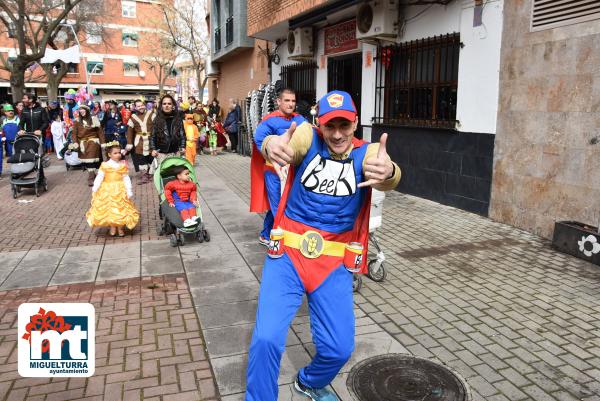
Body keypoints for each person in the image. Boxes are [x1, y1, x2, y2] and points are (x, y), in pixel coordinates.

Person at [244, 91, 401, 401]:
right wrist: (271, 145)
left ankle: (310, 382)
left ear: (355, 122)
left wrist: (390, 172)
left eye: (345, 125)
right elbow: (291, 144)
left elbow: (388, 173)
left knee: (340, 347)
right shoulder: (307, 134)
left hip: (332, 262)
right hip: (288, 255)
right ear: (320, 124)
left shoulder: (367, 152)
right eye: (331, 126)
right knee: (266, 339)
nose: (338, 134)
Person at [250, 88, 306, 246]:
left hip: (293, 170)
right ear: (278, 102)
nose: (291, 104)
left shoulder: (300, 119)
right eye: (287, 100)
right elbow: (260, 141)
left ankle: (265, 234)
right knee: (278, 205)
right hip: (274, 171)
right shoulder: (269, 120)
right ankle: (282, 239)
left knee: (285, 203)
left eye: (293, 101)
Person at [86, 141, 139, 237]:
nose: (118, 155)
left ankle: (120, 227)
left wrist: (129, 189)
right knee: (110, 209)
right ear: (109, 154)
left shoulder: (122, 165)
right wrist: (95, 187)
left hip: (120, 189)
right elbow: (100, 177)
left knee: (121, 209)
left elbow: (126, 177)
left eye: (119, 152)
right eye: (115, 153)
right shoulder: (105, 165)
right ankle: (113, 227)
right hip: (107, 190)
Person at [18, 93, 49, 185]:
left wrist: (40, 130)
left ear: (31, 100)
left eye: (25, 98)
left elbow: (46, 122)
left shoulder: (41, 110)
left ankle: (41, 178)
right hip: (28, 136)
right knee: (28, 156)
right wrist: (21, 130)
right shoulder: (24, 110)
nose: (23, 100)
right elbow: (21, 123)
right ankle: (27, 176)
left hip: (39, 136)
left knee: (38, 157)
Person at [150, 94, 185, 172]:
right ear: (161, 105)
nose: (167, 106)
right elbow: (152, 136)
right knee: (163, 179)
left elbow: (182, 134)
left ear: (173, 105)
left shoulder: (178, 119)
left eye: (169, 104)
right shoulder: (157, 119)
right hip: (161, 154)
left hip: (175, 153)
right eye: (164, 104)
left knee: (176, 178)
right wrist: (153, 149)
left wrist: (183, 146)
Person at [72, 104, 105, 186]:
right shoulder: (76, 121)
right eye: (80, 110)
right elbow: (74, 134)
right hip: (83, 143)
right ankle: (93, 175)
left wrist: (103, 143)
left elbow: (100, 132)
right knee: (88, 161)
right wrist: (75, 142)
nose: (81, 111)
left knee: (93, 159)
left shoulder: (94, 119)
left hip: (93, 142)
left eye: (83, 109)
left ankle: (91, 177)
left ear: (87, 110)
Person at [126, 99, 156, 184]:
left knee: (151, 157)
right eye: (138, 106)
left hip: (151, 139)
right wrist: (129, 143)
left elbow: (157, 127)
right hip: (139, 140)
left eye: (142, 105)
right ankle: (144, 175)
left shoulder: (151, 114)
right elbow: (129, 131)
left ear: (144, 105)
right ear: (135, 107)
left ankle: (150, 174)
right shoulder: (133, 117)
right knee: (141, 157)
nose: (140, 107)